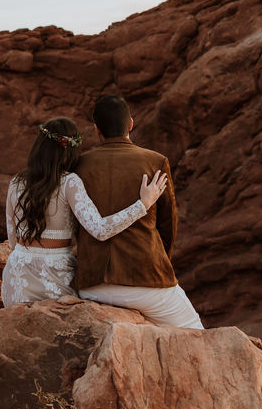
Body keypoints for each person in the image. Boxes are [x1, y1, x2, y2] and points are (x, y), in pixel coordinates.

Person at [1, 116, 167, 307]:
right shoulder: (69, 182)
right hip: (56, 274)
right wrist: (143, 205)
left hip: (18, 271)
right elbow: (100, 229)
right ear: (71, 150)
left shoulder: (16, 182)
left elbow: (12, 240)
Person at [75, 95, 203, 329]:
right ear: (131, 124)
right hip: (146, 278)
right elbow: (167, 225)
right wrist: (158, 265)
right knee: (194, 332)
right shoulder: (155, 161)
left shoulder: (79, 165)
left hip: (92, 284)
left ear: (96, 130)